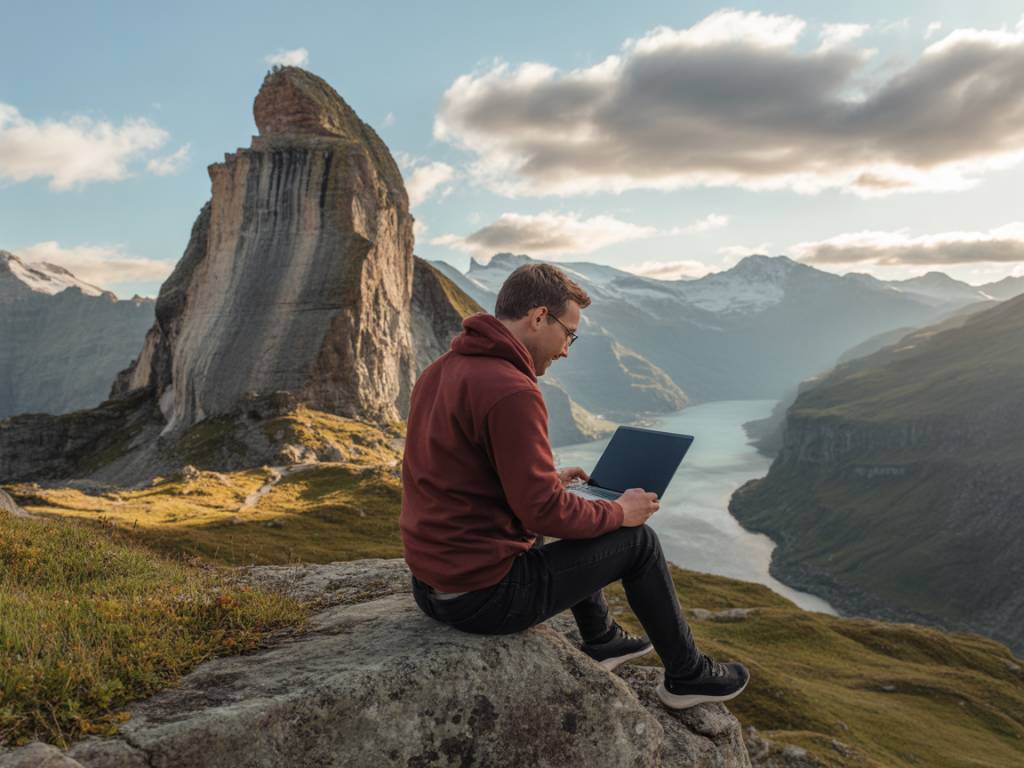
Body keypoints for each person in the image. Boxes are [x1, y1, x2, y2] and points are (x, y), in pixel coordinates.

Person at [400, 262, 748, 709]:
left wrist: (545, 482)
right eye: (569, 334)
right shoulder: (512, 390)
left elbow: (459, 473)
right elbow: (542, 513)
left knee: (564, 504)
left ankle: (601, 638)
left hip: (432, 587)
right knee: (639, 541)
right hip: (484, 600)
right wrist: (621, 512)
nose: (567, 350)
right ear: (538, 317)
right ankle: (689, 676)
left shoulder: (443, 369)